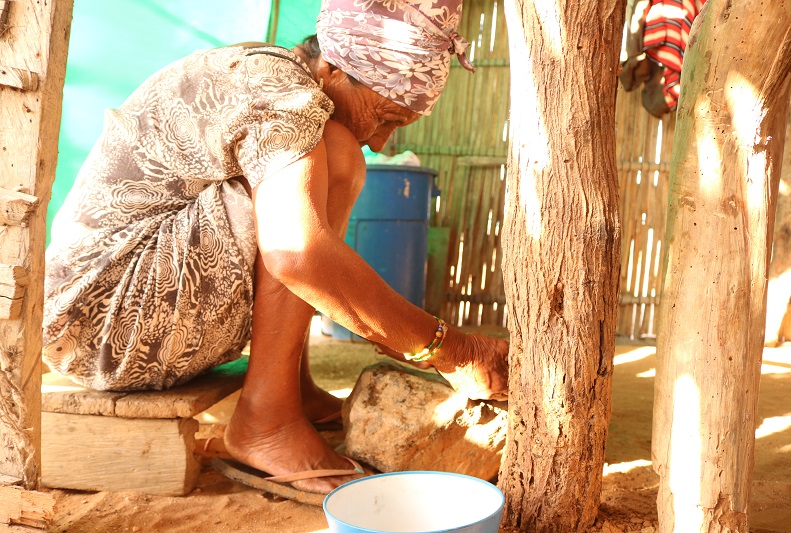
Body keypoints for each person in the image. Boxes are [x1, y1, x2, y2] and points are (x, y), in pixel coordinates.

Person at [43, 0, 509, 496]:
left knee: (320, 162)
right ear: (332, 69)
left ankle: (290, 391)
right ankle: (266, 420)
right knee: (336, 153)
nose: (381, 141)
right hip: (104, 324)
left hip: (116, 321)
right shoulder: (280, 91)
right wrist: (452, 351)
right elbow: (297, 253)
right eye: (386, 117)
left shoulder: (281, 79)